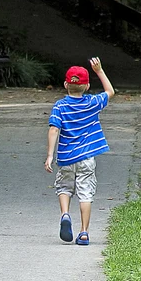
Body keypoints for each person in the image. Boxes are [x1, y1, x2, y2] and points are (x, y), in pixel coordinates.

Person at [44, 58, 115, 245]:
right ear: (87, 85)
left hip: (66, 158)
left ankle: (65, 214)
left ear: (66, 84)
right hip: (86, 158)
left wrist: (50, 155)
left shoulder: (60, 106)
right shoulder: (92, 103)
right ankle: (84, 232)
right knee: (86, 193)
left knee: (64, 188)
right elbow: (110, 91)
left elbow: (53, 129)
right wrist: (99, 71)